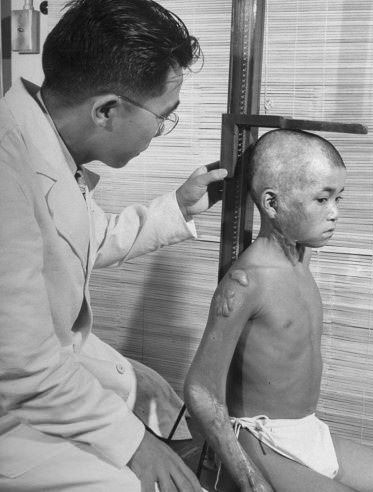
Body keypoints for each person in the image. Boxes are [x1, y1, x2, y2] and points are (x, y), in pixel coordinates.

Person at [0, 0, 227, 490]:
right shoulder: (6, 169)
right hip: (14, 399)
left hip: (49, 365)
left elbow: (85, 239)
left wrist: (180, 206)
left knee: (156, 395)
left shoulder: (48, 139)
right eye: (163, 118)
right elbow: (23, 367)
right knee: (133, 483)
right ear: (106, 109)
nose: (160, 132)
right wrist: (132, 444)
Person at [184, 129, 373, 492]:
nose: (335, 214)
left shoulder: (299, 254)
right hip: (264, 440)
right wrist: (249, 481)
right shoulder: (249, 280)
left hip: (309, 429)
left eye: (339, 198)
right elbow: (201, 389)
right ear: (272, 204)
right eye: (322, 200)